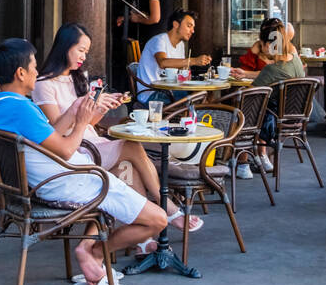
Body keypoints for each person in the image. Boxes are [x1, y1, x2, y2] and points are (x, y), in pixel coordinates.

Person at [0, 39, 168, 285]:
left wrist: (73, 111)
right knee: (157, 220)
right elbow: (66, 149)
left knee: (117, 175)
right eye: (34, 67)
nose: (37, 72)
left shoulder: (1, 105)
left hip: (52, 181)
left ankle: (90, 253)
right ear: (21, 73)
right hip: (68, 183)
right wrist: (82, 123)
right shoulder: (23, 110)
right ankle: (93, 254)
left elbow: (50, 137)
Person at [34, 22, 201, 238]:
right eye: (81, 50)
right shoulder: (44, 84)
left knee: (128, 169)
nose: (84, 56)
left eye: (86, 52)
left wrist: (102, 107)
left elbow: (89, 123)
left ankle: (142, 241)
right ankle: (166, 206)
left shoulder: (78, 78)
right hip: (75, 152)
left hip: (92, 142)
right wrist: (80, 106)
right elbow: (56, 131)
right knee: (131, 145)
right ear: (65, 46)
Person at [243, 18, 325, 177]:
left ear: (268, 45)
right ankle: (259, 157)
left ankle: (242, 164)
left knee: (243, 110)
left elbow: (250, 95)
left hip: (275, 121)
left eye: (262, 44)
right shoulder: (296, 61)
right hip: (297, 118)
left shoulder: (270, 70)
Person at [135, 9, 211, 102]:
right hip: (151, 93)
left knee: (203, 94)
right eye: (189, 26)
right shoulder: (159, 40)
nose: (193, 31)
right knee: (197, 100)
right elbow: (162, 63)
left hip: (170, 90)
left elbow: (182, 71)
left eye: (193, 27)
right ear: (175, 24)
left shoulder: (180, 45)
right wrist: (194, 61)